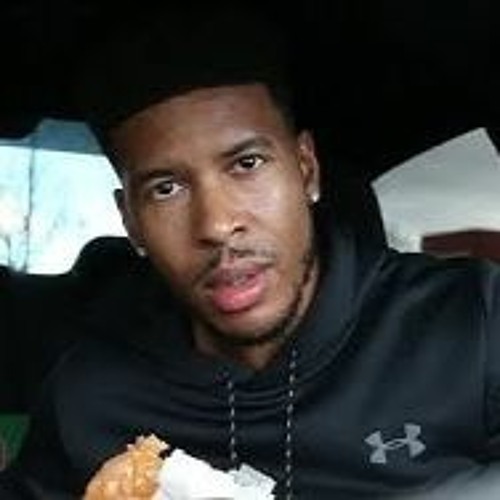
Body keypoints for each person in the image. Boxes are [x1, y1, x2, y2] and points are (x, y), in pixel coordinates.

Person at [2, 3, 500, 499]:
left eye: (247, 164)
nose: (217, 225)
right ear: (131, 221)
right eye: (166, 188)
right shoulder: (90, 395)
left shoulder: (472, 324)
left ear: (306, 169)